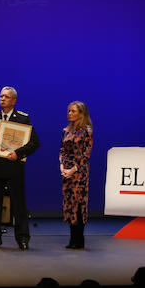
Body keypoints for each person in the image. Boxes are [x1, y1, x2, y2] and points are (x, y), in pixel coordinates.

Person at [0, 86, 39, 250]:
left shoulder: (22, 118)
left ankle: (22, 239)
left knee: (18, 204)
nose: (2, 99)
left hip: (14, 166)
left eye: (6, 97)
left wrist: (18, 153)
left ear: (14, 100)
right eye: (1, 96)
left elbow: (35, 143)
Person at [60, 100, 93, 249]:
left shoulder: (86, 131)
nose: (70, 113)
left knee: (78, 204)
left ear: (81, 114)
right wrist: (62, 166)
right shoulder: (66, 131)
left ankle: (79, 240)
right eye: (69, 111)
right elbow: (62, 150)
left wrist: (73, 169)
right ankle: (73, 239)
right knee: (69, 205)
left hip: (79, 173)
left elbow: (86, 155)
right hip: (66, 172)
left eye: (73, 111)